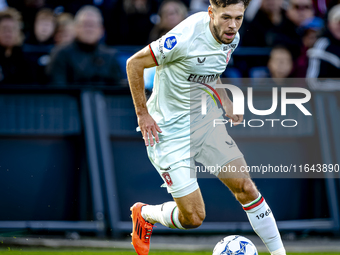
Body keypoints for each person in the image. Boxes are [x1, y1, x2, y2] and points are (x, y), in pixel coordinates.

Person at [126, 1, 287, 255]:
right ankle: (145, 213)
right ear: (211, 13)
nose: (233, 25)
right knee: (193, 217)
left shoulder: (231, 37)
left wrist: (224, 99)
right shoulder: (184, 37)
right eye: (226, 17)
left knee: (246, 187)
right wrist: (142, 114)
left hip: (204, 122)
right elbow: (134, 64)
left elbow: (210, 69)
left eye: (238, 17)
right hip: (167, 132)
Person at [47, 5, 122, 86]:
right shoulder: (60, 54)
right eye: (85, 24)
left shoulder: (110, 56)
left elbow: (117, 90)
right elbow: (57, 90)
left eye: (92, 25)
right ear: (76, 27)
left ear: (101, 30)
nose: (89, 29)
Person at [306, 4, 340, 89]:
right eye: (337, 22)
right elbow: (312, 82)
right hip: (328, 99)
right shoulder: (322, 44)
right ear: (329, 23)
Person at [0, 8, 29, 85]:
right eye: (4, 29)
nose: (8, 33)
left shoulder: (26, 58)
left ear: (18, 33)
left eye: (12, 29)